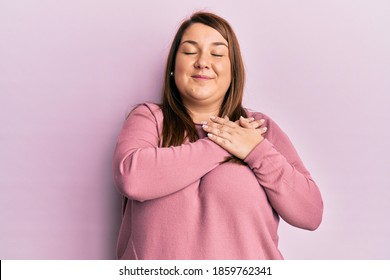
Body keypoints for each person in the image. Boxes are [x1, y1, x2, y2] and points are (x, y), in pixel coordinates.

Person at [112, 12, 323, 260]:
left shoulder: (260, 129)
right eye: (190, 52)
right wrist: (226, 143)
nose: (202, 62)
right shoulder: (148, 118)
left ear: (233, 70)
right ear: (172, 67)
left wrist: (256, 150)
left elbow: (310, 213)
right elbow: (133, 179)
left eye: (217, 53)